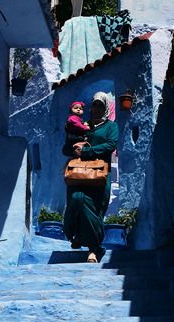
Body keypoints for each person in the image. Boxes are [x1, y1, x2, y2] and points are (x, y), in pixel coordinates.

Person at [62, 92, 119, 263]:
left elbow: (111, 144)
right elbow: (66, 147)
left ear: (105, 107)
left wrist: (87, 151)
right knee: (76, 199)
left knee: (95, 209)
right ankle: (76, 235)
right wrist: (73, 147)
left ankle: (94, 249)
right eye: (94, 104)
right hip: (79, 174)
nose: (96, 108)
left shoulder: (111, 127)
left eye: (100, 105)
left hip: (99, 175)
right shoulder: (81, 125)